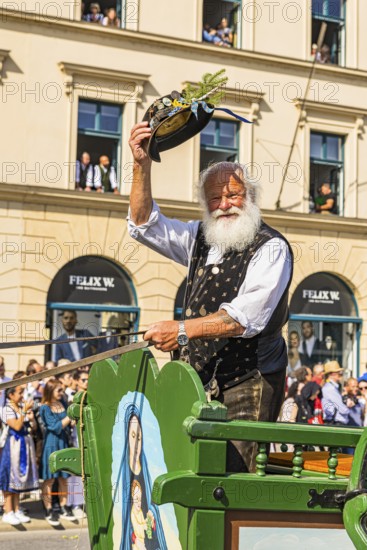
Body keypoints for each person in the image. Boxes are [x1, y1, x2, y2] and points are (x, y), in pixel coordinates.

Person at [128, 122, 293, 472]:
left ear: (250, 198)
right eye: (215, 198)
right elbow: (143, 224)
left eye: (233, 195)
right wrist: (141, 165)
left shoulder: (271, 247)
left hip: (248, 382)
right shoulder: (198, 238)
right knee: (186, 467)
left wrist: (182, 330)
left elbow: (241, 319)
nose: (224, 205)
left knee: (233, 478)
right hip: (197, 380)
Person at [40, 378, 77, 526]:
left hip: (63, 443)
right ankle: (48, 509)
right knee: (49, 479)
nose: (62, 392)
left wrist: (72, 421)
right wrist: (69, 416)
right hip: (51, 444)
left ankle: (64, 506)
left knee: (63, 477)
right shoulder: (45, 407)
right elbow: (54, 427)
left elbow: (66, 427)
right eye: (59, 390)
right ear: (50, 391)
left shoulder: (62, 403)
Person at [0, 385, 38, 525]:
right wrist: (24, 411)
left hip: (24, 445)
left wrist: (32, 419)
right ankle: (8, 511)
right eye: (20, 392)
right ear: (10, 395)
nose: (22, 395)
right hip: (12, 447)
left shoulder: (21, 407)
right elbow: (16, 426)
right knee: (9, 479)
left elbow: (32, 428)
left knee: (19, 479)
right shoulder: (5, 409)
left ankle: (16, 509)